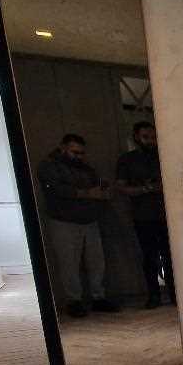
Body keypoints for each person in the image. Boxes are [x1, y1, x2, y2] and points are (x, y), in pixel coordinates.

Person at [38, 133, 119, 318]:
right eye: (75, 152)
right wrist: (87, 193)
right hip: (64, 221)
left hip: (89, 220)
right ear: (62, 148)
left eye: (82, 153)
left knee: (96, 262)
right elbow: (55, 190)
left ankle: (98, 296)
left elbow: (96, 186)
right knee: (69, 263)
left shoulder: (85, 167)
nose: (79, 156)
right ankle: (73, 301)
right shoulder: (49, 166)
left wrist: (102, 190)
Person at [116, 121, 175, 309]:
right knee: (149, 258)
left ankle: (175, 294)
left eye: (153, 137)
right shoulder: (127, 160)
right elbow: (121, 187)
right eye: (145, 137)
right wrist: (146, 188)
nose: (150, 141)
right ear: (136, 137)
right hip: (143, 216)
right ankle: (154, 295)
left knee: (171, 257)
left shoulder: (165, 155)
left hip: (168, 216)